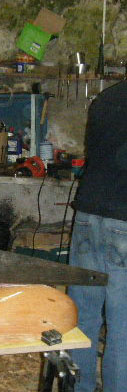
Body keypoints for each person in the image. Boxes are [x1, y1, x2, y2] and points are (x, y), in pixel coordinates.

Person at [68, 80, 127, 392]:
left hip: (88, 217)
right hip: (124, 221)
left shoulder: (105, 99)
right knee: (123, 327)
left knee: (83, 318)